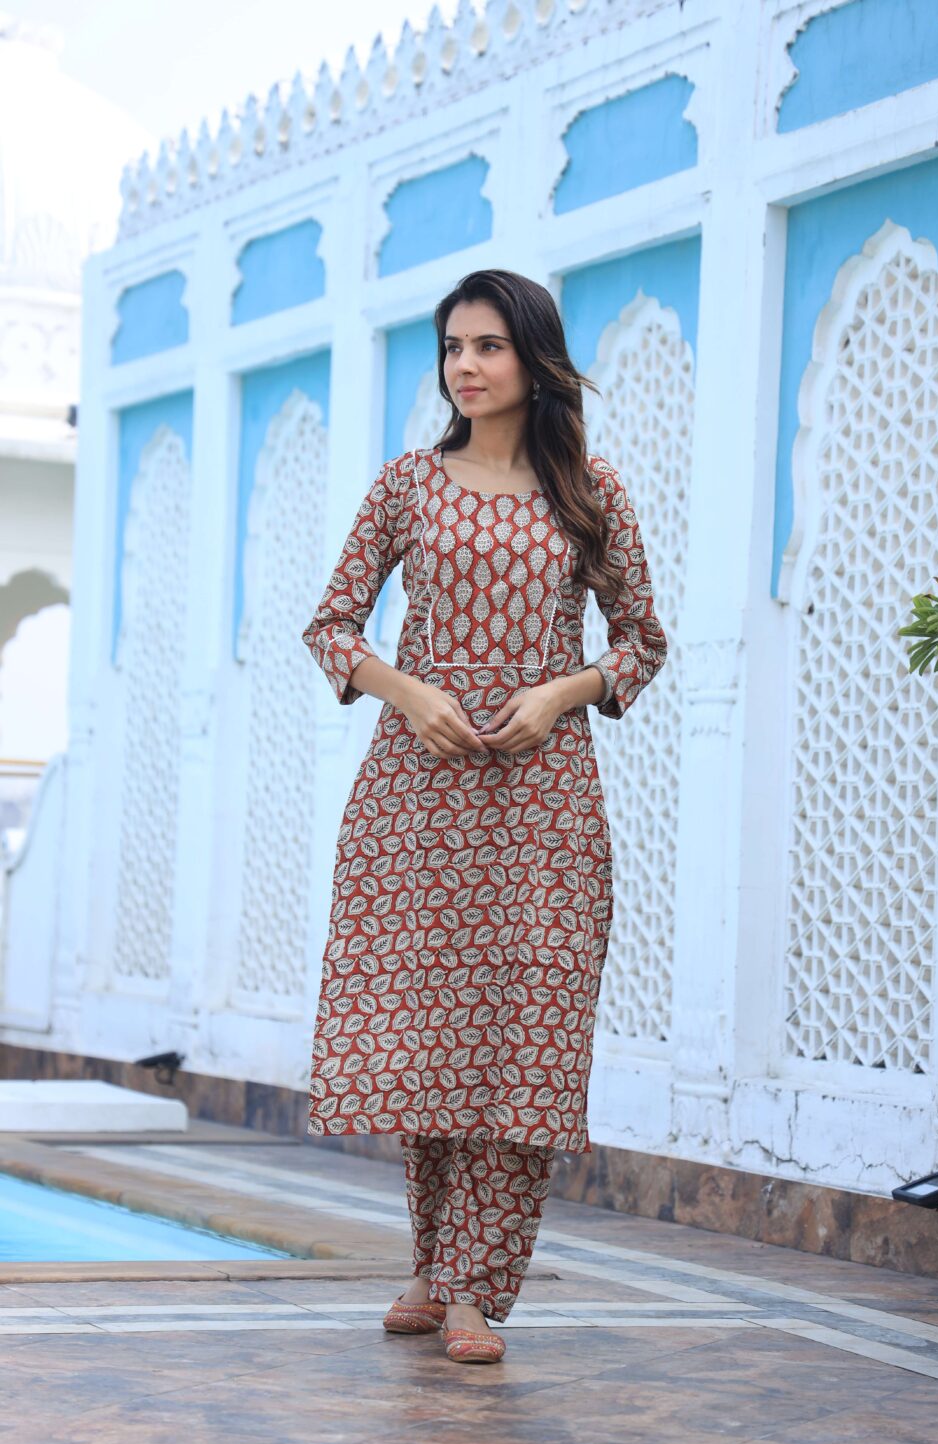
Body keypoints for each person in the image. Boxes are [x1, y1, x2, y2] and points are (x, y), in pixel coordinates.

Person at [301, 267, 668, 1365]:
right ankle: (430, 1267)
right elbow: (330, 626)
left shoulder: (589, 492)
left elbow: (641, 642)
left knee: (528, 1030)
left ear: (534, 360)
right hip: (416, 794)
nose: (464, 365)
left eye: (488, 346)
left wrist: (560, 694)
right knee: (434, 1034)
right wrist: (407, 693)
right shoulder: (407, 485)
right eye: (453, 348)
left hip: (544, 797)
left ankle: (477, 1291)